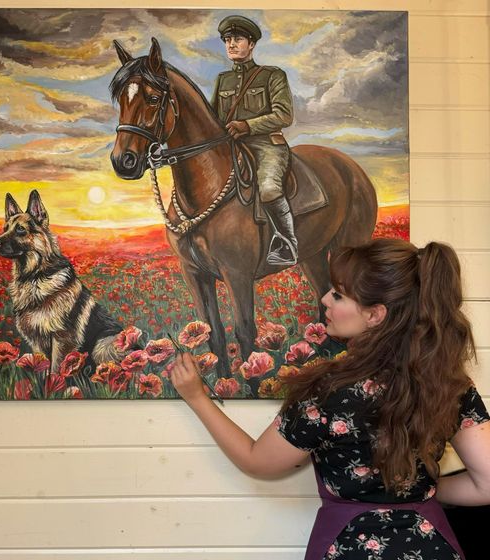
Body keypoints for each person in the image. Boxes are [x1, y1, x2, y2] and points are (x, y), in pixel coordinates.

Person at [170, 237, 490, 560]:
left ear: (375, 315)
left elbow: (257, 460)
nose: (325, 299)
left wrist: (197, 397)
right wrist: (426, 490)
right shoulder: (449, 384)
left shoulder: (328, 391)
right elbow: (487, 484)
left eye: (338, 294)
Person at [210, 15, 297, 266]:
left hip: (266, 145)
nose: (231, 44)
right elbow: (214, 119)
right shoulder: (222, 80)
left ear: (252, 44)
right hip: (230, 147)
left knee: (269, 188)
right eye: (227, 40)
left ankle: (287, 242)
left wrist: (248, 125)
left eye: (237, 39)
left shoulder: (272, 75)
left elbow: (284, 115)